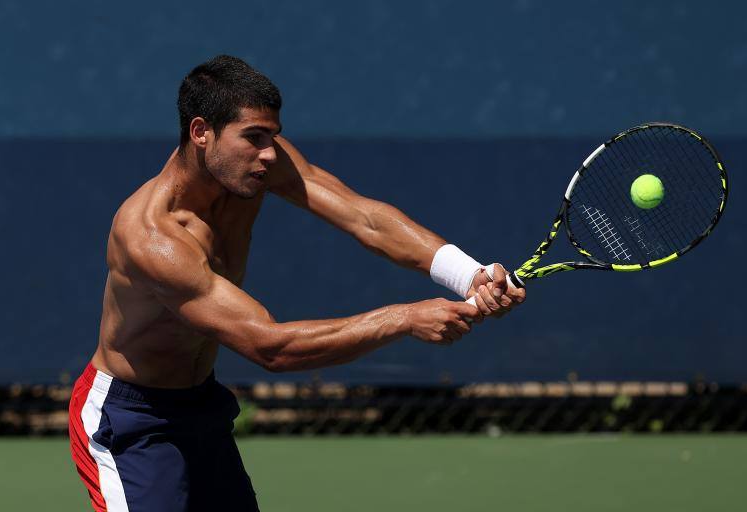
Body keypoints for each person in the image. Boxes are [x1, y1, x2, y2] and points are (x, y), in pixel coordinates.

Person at [68, 55, 525, 512]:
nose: (269, 152)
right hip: (131, 421)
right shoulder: (152, 237)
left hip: (200, 405)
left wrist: (469, 274)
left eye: (272, 136)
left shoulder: (256, 168)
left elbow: (364, 218)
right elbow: (271, 347)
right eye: (253, 137)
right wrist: (403, 318)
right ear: (201, 132)